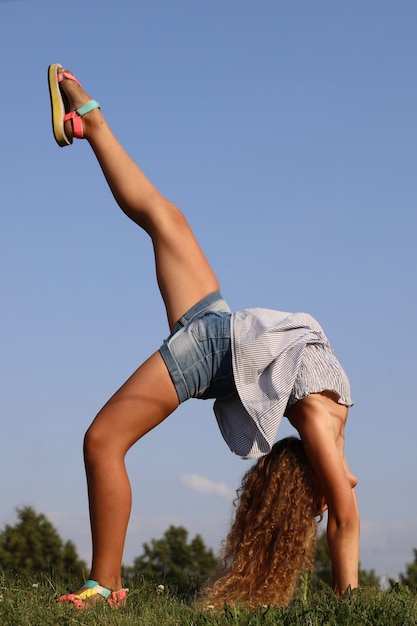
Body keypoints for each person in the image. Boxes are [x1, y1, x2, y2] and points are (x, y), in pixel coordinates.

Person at [47, 64, 360, 609]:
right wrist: (339, 491)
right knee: (163, 216)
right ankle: (92, 123)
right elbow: (345, 504)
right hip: (220, 324)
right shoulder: (332, 434)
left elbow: (346, 523)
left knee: (102, 442)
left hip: (215, 350)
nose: (334, 497)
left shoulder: (321, 419)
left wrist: (349, 601)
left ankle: (103, 588)